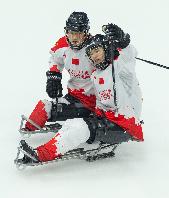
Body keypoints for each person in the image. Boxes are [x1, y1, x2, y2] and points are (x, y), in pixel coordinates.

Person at [19, 26, 140, 164]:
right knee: (62, 116)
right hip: (103, 117)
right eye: (90, 53)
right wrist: (54, 75)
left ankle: (41, 155)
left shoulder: (119, 68)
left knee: (79, 126)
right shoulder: (96, 74)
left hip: (124, 125)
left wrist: (123, 43)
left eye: (97, 51)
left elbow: (129, 56)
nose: (94, 56)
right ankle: (32, 128)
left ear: (106, 50)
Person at [25, 12, 130, 132]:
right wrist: (54, 76)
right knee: (43, 107)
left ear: (86, 32)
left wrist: (122, 39)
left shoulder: (96, 47)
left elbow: (119, 55)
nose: (74, 38)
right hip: (74, 99)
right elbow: (55, 59)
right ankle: (28, 132)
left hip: (99, 104)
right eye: (71, 33)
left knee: (82, 128)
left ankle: (94, 126)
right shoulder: (62, 44)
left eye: (79, 34)